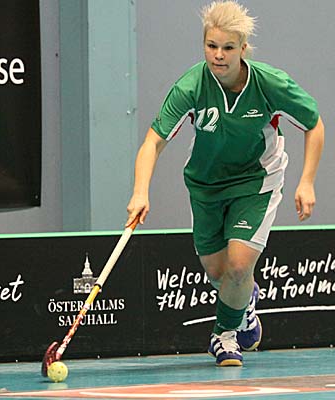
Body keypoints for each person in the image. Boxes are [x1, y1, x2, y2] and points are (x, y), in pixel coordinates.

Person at [126, 0, 324, 367]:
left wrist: (307, 182)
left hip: (256, 181)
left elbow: (314, 124)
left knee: (238, 265)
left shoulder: (269, 84)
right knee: (219, 273)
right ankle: (244, 303)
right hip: (206, 186)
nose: (218, 55)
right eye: (211, 46)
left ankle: (225, 335)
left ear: (243, 49)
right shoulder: (190, 87)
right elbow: (153, 142)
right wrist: (141, 191)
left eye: (228, 48)